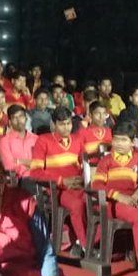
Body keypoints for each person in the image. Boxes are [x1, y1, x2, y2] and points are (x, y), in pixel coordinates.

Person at [91, 123, 138, 276]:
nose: (119, 143)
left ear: (132, 142)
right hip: (113, 203)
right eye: (116, 140)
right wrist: (119, 196)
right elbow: (97, 185)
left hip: (135, 200)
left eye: (123, 140)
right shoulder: (106, 161)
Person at [29, 106, 90, 256]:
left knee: (97, 204)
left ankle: (80, 242)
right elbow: (35, 173)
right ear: (53, 124)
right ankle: (86, 246)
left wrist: (83, 179)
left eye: (68, 123)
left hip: (78, 187)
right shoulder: (43, 141)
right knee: (77, 205)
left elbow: (85, 166)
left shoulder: (78, 140)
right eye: (62, 124)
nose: (66, 127)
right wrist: (62, 181)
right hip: (56, 190)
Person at [0, 104, 38, 184]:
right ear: (10, 122)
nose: (19, 120)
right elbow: (9, 166)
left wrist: (21, 161)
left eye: (21, 116)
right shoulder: (4, 141)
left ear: (26, 119)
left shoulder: (36, 139)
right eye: (15, 118)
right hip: (20, 181)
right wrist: (28, 168)